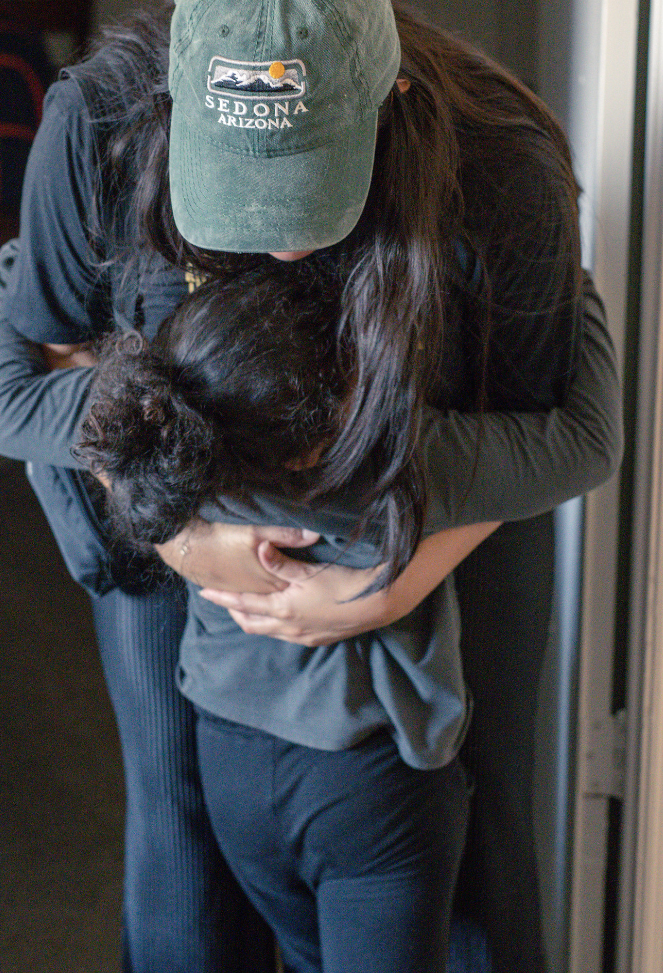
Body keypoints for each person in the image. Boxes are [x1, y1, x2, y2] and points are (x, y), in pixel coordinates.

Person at [0, 0, 619, 969]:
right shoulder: (100, 118)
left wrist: (386, 582)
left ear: (395, 102)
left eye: (304, 180)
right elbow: (36, 361)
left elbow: (555, 430)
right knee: (178, 808)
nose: (269, 229)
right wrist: (181, 536)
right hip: (161, 494)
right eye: (238, 180)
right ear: (175, 107)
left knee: (476, 816)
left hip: (447, 504)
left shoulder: (503, 164)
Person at [75, 267, 484, 966]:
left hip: (230, 752)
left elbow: (84, 433)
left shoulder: (181, 452)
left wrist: (184, 543)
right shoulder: (394, 466)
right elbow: (583, 445)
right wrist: (396, 588)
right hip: (363, 771)